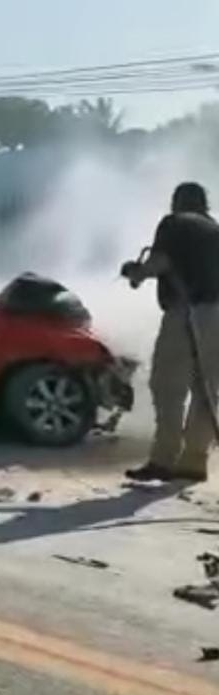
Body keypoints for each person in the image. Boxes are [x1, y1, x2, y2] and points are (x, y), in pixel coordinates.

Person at [123, 182, 219, 482]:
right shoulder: (214, 229)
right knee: (205, 390)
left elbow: (160, 262)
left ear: (177, 202)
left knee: (167, 386)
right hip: (217, 314)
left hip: (186, 315)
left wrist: (135, 272)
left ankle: (164, 460)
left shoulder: (174, 223)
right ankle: (194, 462)